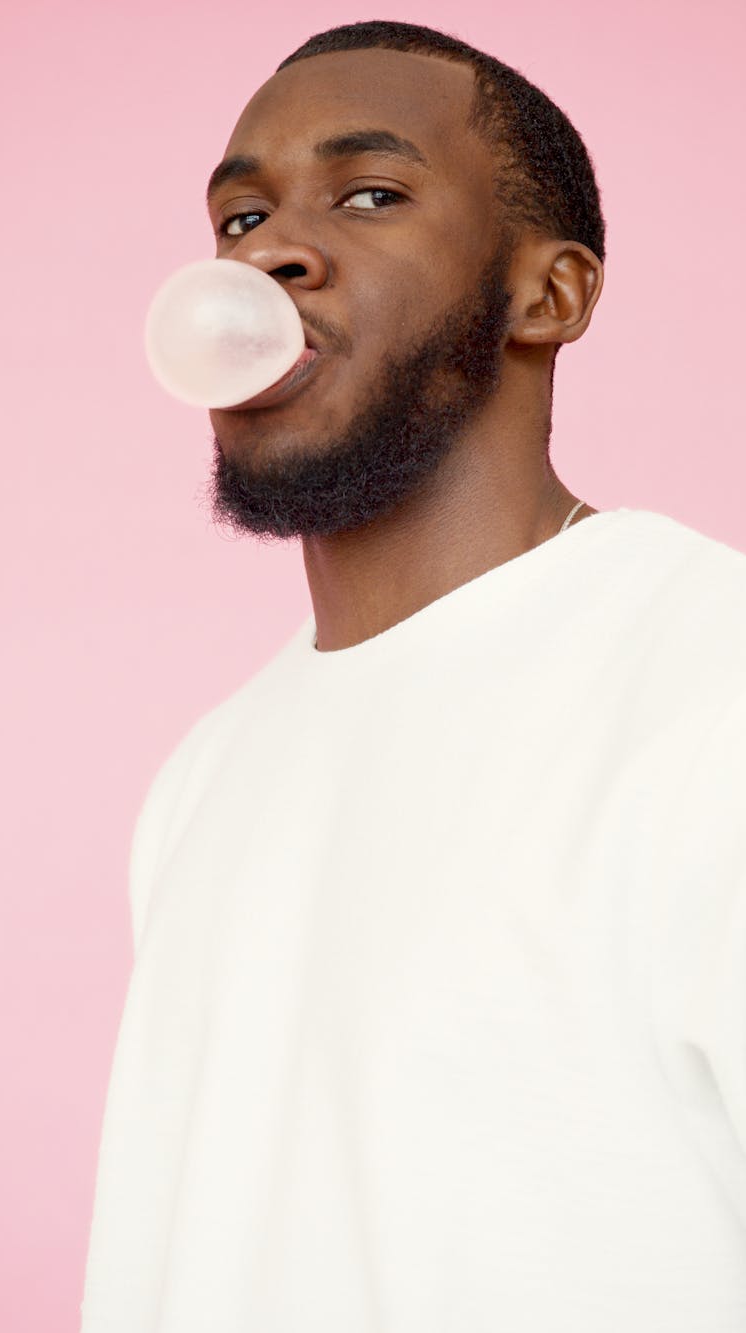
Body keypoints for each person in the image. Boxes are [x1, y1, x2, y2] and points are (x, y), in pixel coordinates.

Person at [80, 20, 746, 1333]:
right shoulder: (206, 772)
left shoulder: (707, 679)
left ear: (545, 295)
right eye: (239, 214)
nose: (268, 252)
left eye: (370, 193)